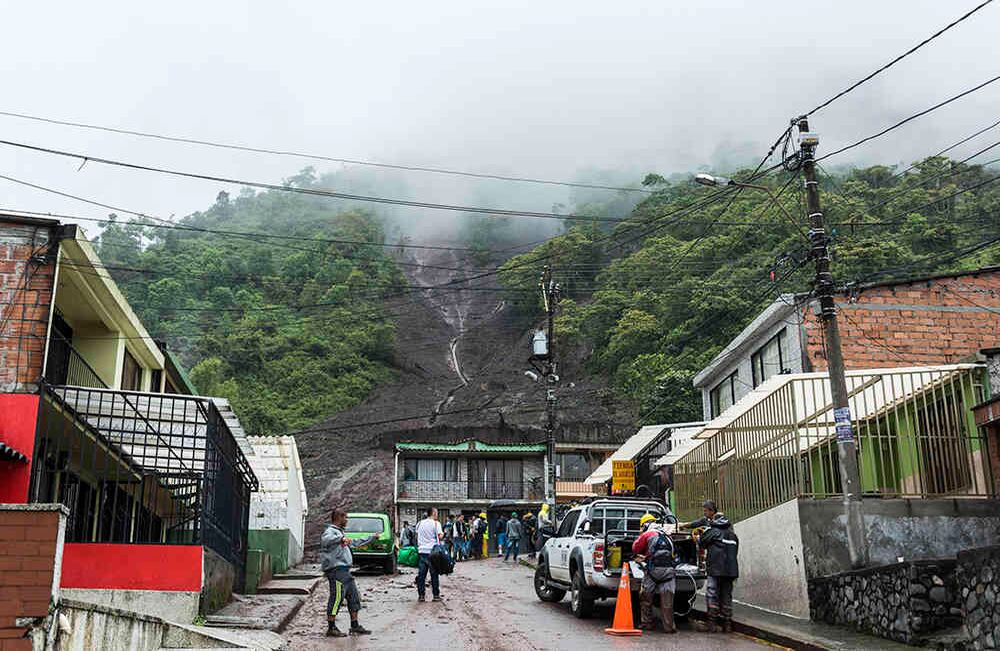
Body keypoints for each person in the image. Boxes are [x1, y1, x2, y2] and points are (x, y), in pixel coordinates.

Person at [320, 509, 375, 637]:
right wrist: (341, 539)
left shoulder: (340, 533)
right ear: (339, 517)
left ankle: (354, 626)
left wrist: (371, 537)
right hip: (336, 570)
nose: (347, 520)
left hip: (345, 571)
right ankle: (331, 627)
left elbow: (354, 543)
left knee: (353, 598)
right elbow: (326, 540)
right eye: (346, 517)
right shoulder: (331, 532)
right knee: (337, 598)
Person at [631, 513, 677, 634]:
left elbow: (635, 548)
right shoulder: (667, 535)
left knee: (645, 597)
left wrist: (644, 556)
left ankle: (647, 623)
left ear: (644, 525)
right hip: (669, 572)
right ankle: (669, 627)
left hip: (653, 571)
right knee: (667, 602)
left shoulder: (647, 534)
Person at [698, 514, 739, 633]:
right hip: (731, 571)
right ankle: (727, 624)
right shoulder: (734, 536)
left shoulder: (713, 531)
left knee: (712, 593)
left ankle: (712, 624)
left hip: (715, 569)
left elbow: (701, 542)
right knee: (727, 595)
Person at [415, 507, 444, 602]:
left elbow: (416, 535)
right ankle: (435, 596)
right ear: (434, 513)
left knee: (421, 575)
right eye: (437, 512)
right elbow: (440, 536)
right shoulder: (436, 524)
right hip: (433, 553)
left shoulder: (419, 523)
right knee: (434, 575)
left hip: (422, 552)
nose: (437, 514)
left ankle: (421, 596)